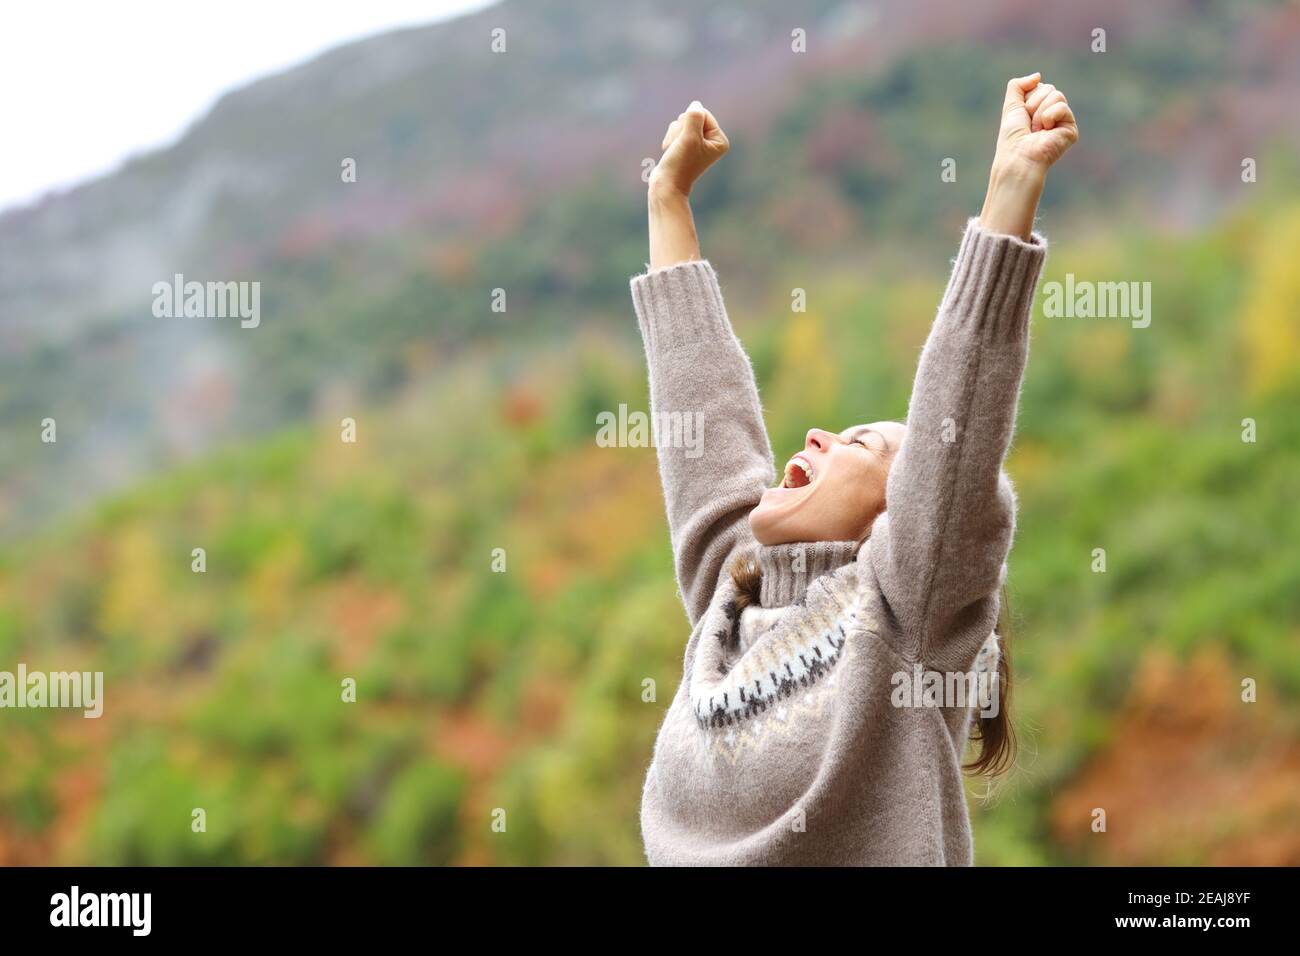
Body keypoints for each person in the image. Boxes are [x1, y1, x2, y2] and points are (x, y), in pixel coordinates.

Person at [629, 74, 1077, 865]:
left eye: (861, 446)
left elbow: (959, 430)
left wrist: (1010, 190)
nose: (820, 437)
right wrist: (669, 200)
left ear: (901, 516)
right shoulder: (727, 602)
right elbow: (700, 407)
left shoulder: (907, 616)